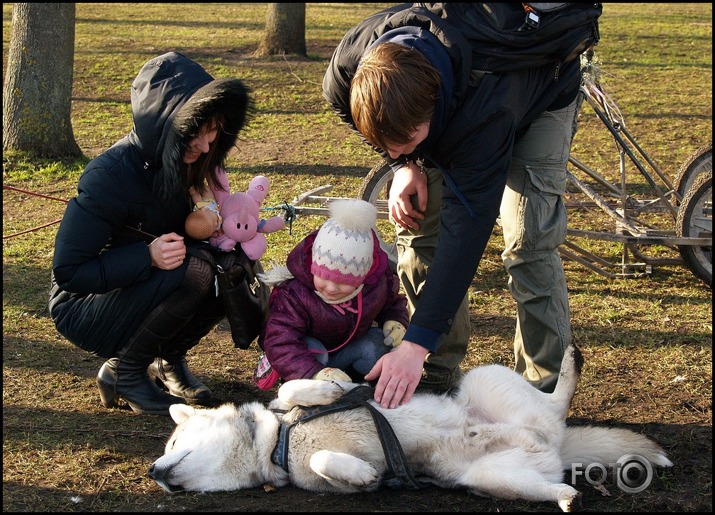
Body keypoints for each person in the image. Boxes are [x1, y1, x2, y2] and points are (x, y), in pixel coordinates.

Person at [323, 4, 596, 408]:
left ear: (436, 106)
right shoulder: (348, 70)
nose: (393, 150)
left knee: (528, 245)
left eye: (407, 141)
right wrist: (405, 162)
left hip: (540, 92)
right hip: (460, 97)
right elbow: (377, 123)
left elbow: (465, 229)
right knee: (417, 230)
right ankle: (434, 372)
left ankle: (540, 395)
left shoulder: (482, 116)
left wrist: (416, 340)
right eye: (386, 143)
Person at [49, 51, 253, 415]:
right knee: (192, 269)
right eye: (197, 132)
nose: (206, 146)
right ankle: (124, 372)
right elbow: (69, 272)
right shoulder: (109, 175)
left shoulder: (187, 164)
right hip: (81, 305)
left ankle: (167, 360)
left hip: (139, 286)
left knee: (230, 265)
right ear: (167, 123)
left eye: (213, 133)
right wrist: (147, 255)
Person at [253, 199, 409, 390]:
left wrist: (395, 319)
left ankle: (354, 387)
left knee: (378, 343)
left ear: (363, 276)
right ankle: (311, 391)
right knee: (314, 349)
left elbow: (391, 301)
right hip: (306, 360)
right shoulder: (293, 294)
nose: (332, 288)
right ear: (312, 268)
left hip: (347, 351)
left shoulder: (376, 284)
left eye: (345, 282)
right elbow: (280, 340)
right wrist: (313, 371)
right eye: (323, 276)